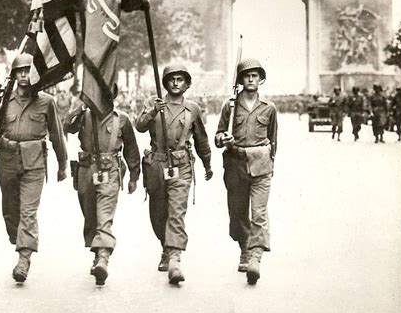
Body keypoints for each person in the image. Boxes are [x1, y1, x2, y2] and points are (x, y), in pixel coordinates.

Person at [0, 53, 68, 283]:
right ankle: (19, 238)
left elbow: (57, 135)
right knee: (11, 210)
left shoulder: (46, 102)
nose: (24, 75)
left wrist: (62, 164)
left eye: (28, 70)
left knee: (28, 212)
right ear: (13, 75)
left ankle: (24, 258)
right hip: (8, 160)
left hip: (34, 164)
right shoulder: (3, 101)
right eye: (20, 71)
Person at [135, 63, 213, 285]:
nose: (176, 82)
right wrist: (153, 112)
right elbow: (139, 126)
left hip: (181, 165)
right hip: (156, 165)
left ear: (187, 83)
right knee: (158, 213)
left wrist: (207, 164)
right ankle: (166, 247)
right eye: (172, 79)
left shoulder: (193, 109)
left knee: (176, 211)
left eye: (180, 79)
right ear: (165, 83)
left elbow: (201, 140)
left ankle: (175, 258)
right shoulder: (153, 102)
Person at [215, 58, 277, 285]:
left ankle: (255, 258)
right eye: (246, 75)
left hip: (261, 165)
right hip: (235, 164)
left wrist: (272, 165)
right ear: (240, 80)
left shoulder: (269, 108)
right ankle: (244, 248)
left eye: (255, 75)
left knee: (259, 213)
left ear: (261, 79)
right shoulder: (229, 106)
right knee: (238, 211)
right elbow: (218, 135)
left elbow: (273, 139)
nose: (251, 79)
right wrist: (224, 138)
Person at [65, 100, 141, 285]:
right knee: (90, 215)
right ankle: (98, 252)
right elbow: (67, 127)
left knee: (104, 215)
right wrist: (79, 108)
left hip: (110, 171)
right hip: (86, 170)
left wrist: (134, 175)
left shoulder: (121, 119)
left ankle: (103, 258)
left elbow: (131, 149)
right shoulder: (84, 115)